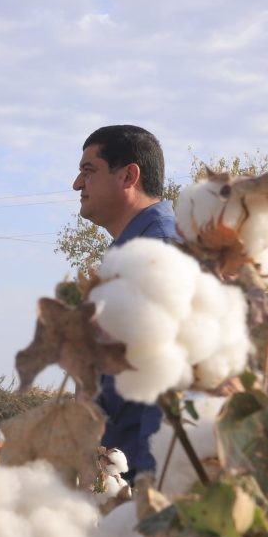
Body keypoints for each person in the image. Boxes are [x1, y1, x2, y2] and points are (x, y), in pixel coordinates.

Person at [72, 124, 181, 478]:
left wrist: (148, 487)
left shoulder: (158, 256)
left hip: (140, 475)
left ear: (128, 176)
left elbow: (170, 384)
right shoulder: (131, 255)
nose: (77, 185)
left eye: (89, 171)